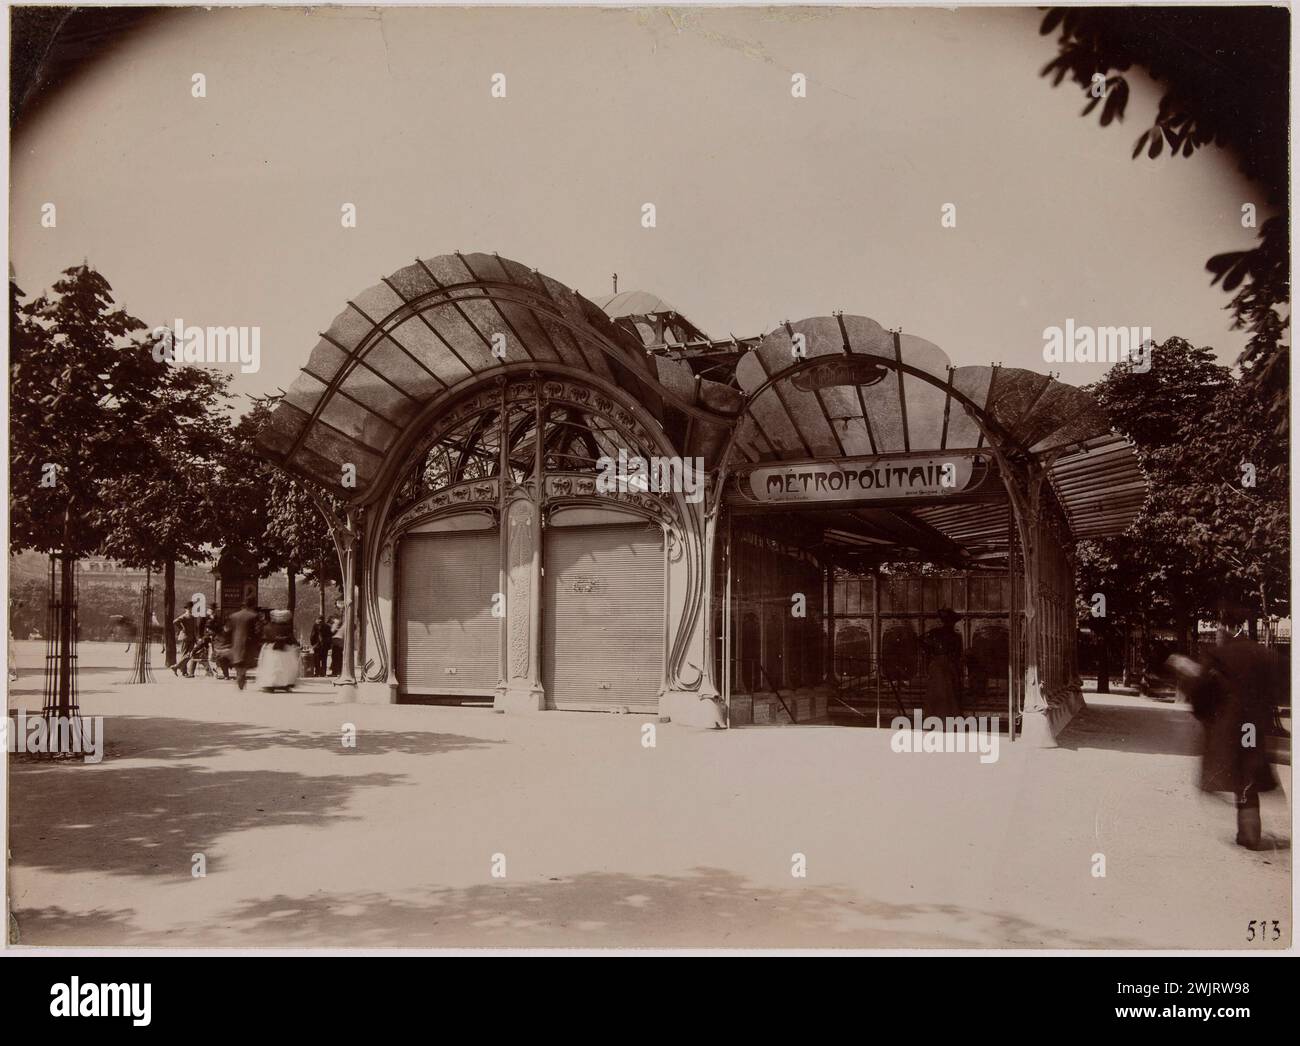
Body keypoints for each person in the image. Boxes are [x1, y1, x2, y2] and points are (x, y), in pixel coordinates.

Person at [1168, 607, 1281, 850]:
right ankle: (1250, 834)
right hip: (1254, 725)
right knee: (1248, 776)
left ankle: (1246, 831)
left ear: (1228, 627)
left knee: (1232, 771)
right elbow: (1276, 690)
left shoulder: (1219, 656)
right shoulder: (1264, 654)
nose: (1217, 632)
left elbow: (1201, 688)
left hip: (1229, 726)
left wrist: (1186, 671)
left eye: (1219, 627)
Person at [922, 607, 963, 719]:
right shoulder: (955, 636)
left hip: (940, 665)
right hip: (947, 665)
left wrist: (931, 652)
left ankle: (935, 719)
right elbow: (958, 654)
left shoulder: (935, 632)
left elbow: (921, 641)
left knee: (940, 691)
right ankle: (947, 720)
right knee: (946, 692)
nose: (950, 624)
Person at [225, 596, 260, 691]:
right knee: (245, 661)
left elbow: (227, 630)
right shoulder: (254, 616)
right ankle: (241, 675)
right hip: (248, 643)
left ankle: (240, 675)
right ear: (252, 605)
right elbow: (257, 631)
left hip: (236, 642)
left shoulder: (234, 616)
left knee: (238, 660)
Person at [172, 599, 202, 678]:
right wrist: (182, 628)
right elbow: (175, 621)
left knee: (188, 654)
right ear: (186, 608)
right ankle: (183, 671)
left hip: (191, 638)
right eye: (188, 608)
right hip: (186, 638)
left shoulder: (192, 617)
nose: (190, 609)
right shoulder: (184, 616)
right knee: (186, 654)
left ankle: (177, 667)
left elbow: (195, 629)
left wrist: (195, 638)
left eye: (191, 608)